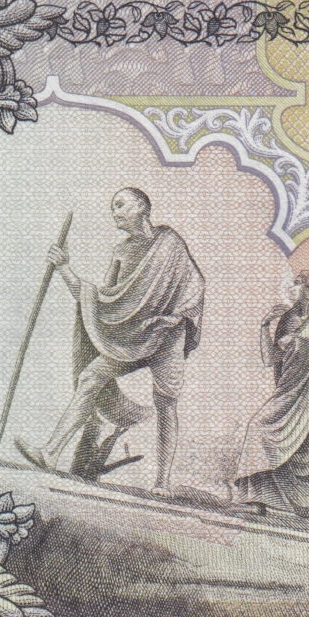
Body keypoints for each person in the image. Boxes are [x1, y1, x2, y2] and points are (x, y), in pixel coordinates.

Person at [30, 187, 205, 492]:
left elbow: (196, 285)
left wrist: (178, 317)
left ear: (143, 208)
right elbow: (100, 302)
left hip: (167, 336)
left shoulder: (170, 242)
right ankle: (50, 452)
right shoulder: (120, 252)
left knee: (166, 403)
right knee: (90, 377)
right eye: (113, 207)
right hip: (132, 336)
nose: (115, 212)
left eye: (121, 205)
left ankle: (162, 482)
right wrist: (64, 268)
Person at [230, 268, 309, 522]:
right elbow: (271, 359)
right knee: (259, 428)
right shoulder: (288, 319)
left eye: (298, 283)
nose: (292, 287)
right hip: (290, 394)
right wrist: (265, 325)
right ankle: (255, 500)